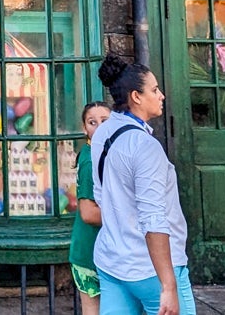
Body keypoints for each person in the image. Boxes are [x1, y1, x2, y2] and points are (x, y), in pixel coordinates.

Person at [89, 54, 195, 315]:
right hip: (150, 268)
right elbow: (153, 218)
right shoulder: (145, 146)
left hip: (111, 260)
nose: (161, 96)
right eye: (155, 90)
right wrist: (168, 285)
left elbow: (101, 195)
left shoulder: (102, 133)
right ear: (136, 96)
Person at [71, 100, 112, 315]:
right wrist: (129, 219)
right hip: (90, 249)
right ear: (84, 128)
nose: (99, 127)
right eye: (92, 122)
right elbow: (88, 213)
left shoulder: (103, 154)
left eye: (104, 121)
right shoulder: (89, 160)